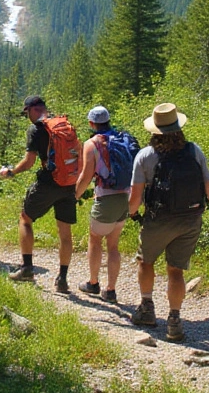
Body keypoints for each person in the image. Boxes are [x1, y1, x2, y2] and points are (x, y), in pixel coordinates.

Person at [128, 102, 209, 342]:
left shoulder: (145, 156)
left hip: (158, 219)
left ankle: (147, 308)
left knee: (146, 262)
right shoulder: (194, 151)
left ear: (154, 131)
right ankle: (174, 321)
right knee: (176, 270)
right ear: (178, 127)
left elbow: (135, 197)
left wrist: (133, 214)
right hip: (190, 219)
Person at [0, 95, 78, 293]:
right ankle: (63, 279)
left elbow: (29, 162)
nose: (27, 117)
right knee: (65, 232)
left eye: (26, 113)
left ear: (31, 110)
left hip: (49, 182)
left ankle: (26, 268)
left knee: (25, 219)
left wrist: (11, 172)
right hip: (69, 183)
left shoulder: (36, 129)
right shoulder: (63, 125)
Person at [73, 105, 137, 304]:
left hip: (106, 198)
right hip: (126, 197)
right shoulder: (122, 139)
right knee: (113, 244)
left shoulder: (92, 144)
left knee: (95, 238)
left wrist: (73, 196)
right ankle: (111, 290)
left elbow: (86, 176)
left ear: (92, 124)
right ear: (108, 120)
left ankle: (93, 283)